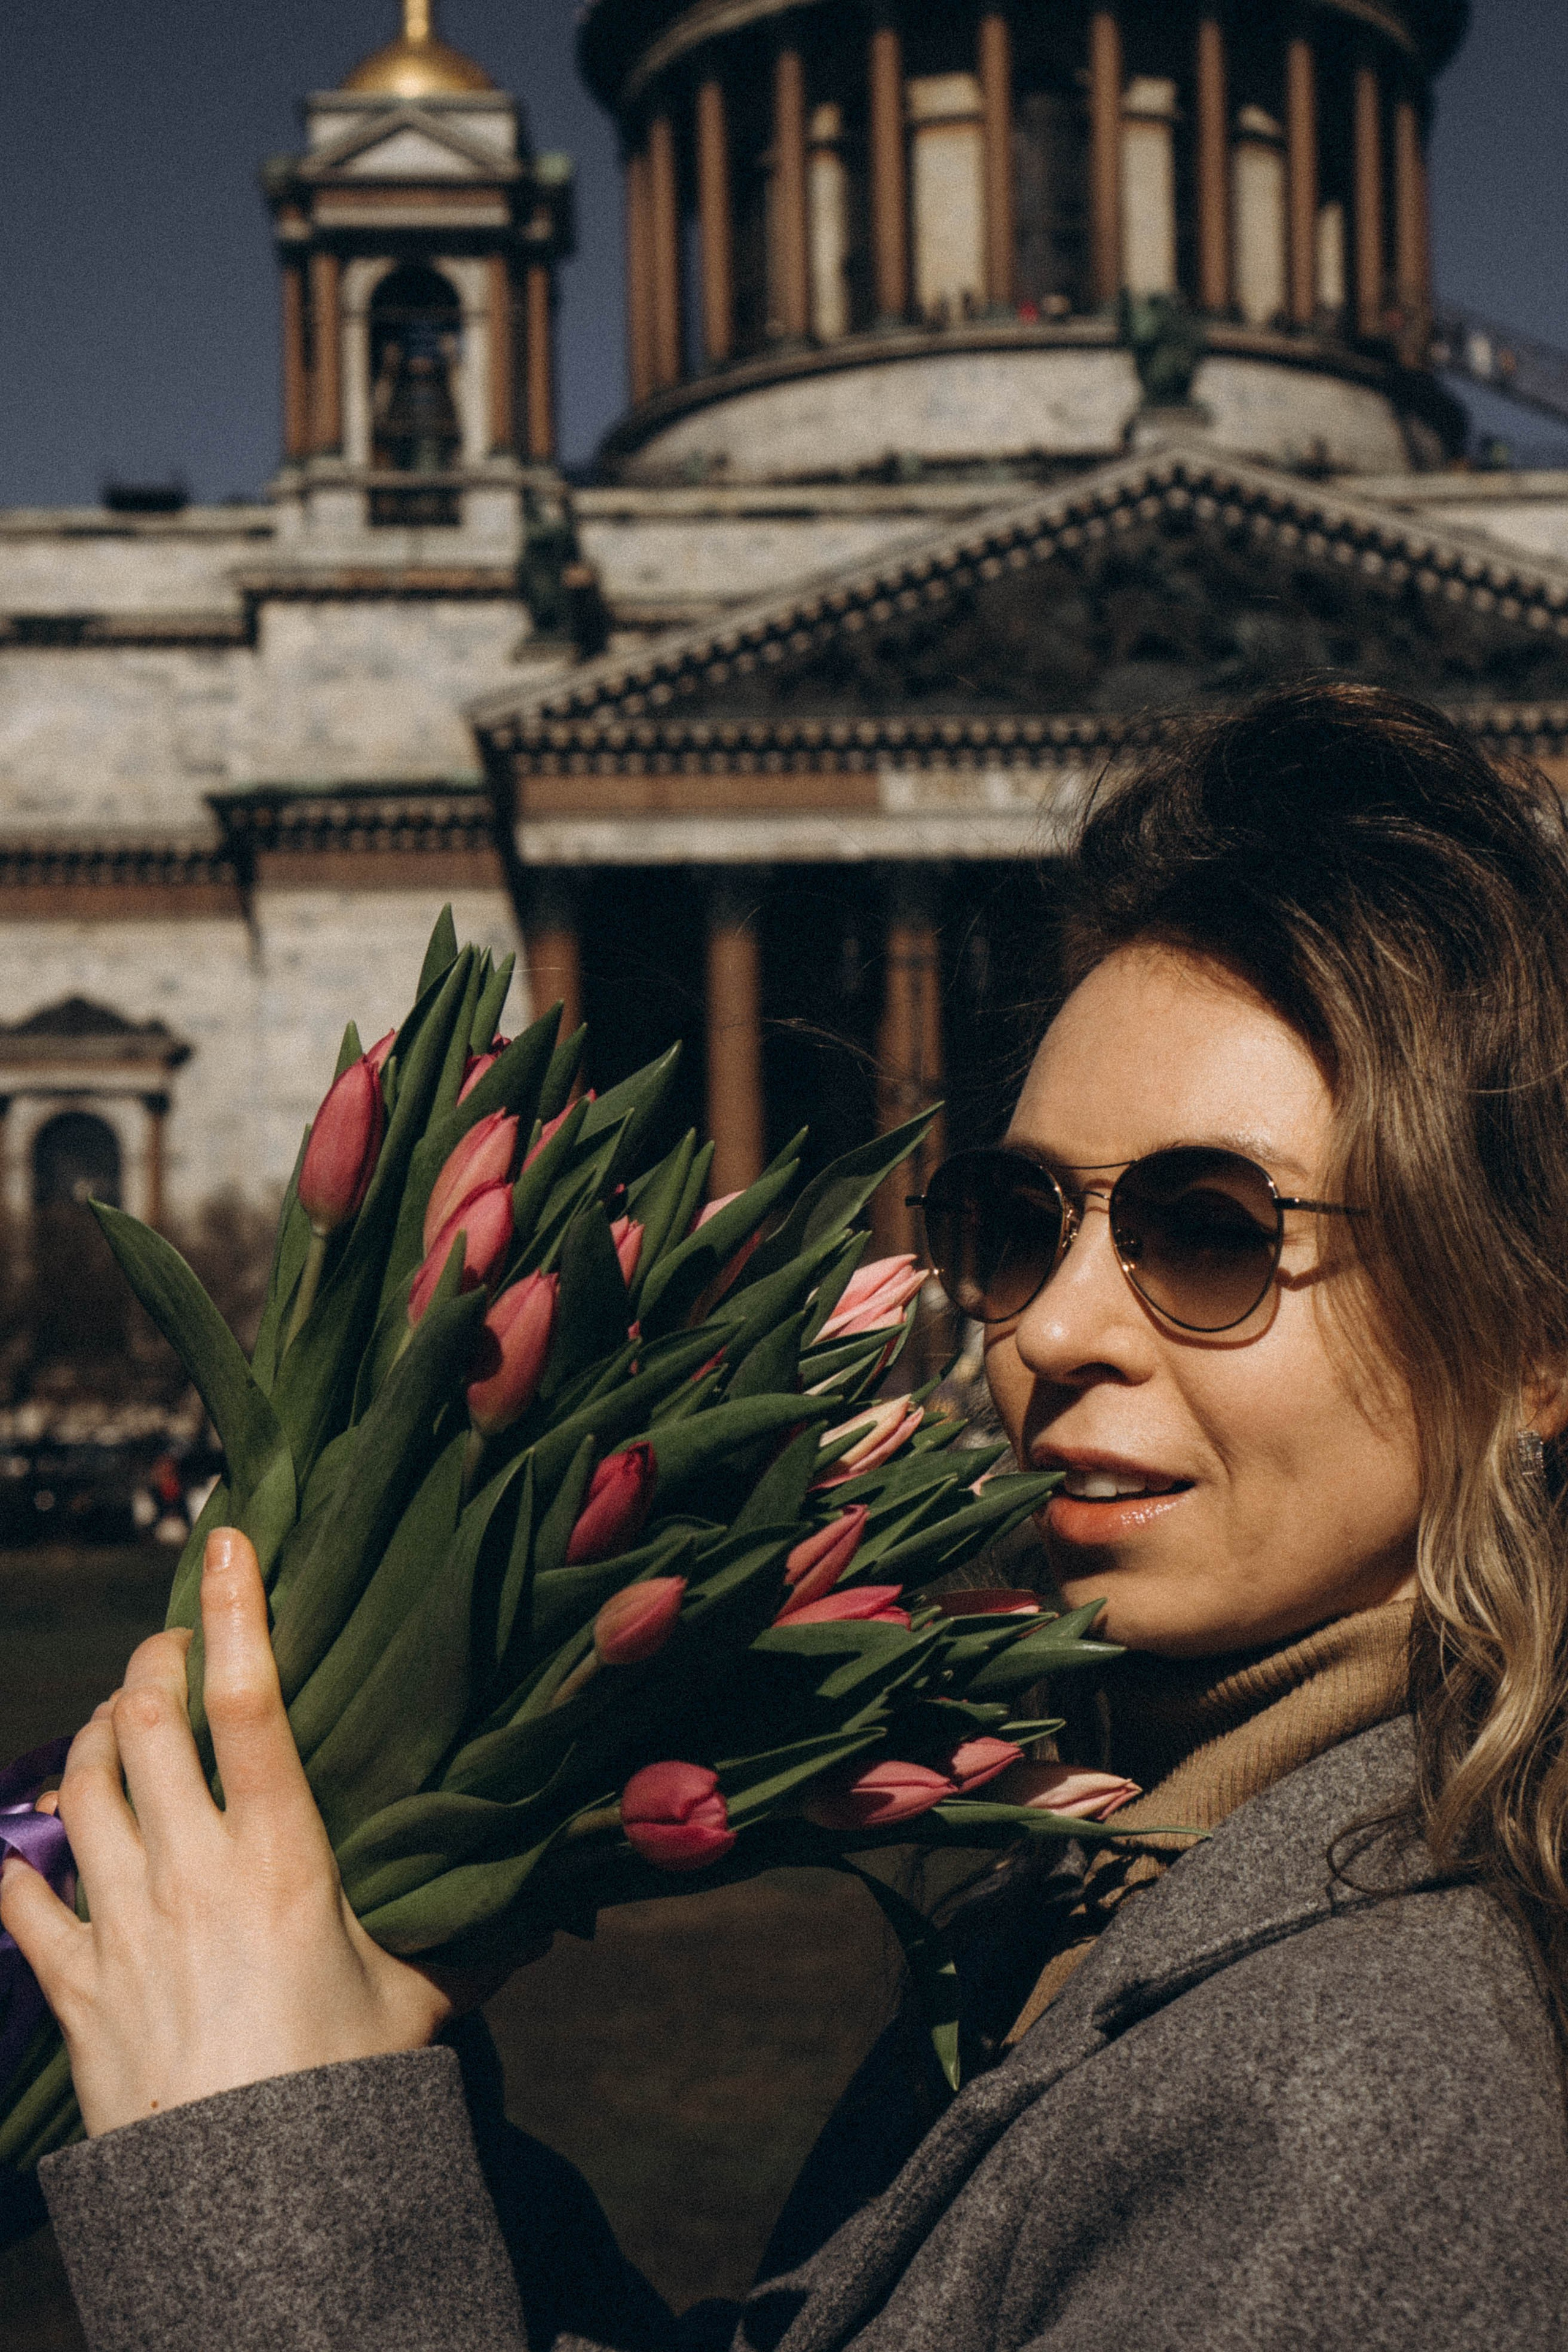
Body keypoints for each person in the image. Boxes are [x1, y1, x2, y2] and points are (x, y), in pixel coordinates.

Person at [7, 679, 1568, 2350]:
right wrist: (352, 2084)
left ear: (1531, 1331)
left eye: (1210, 1232)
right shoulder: (1138, 1875)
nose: (1045, 1328)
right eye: (1023, 1218)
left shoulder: (1376, 2093)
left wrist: (262, 2179)